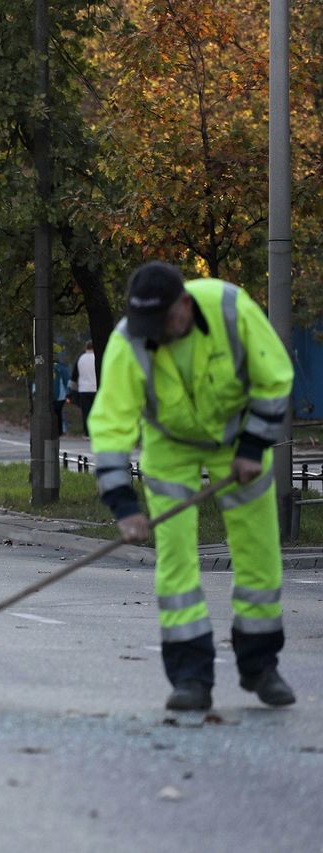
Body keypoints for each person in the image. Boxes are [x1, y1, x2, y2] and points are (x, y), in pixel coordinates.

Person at [89, 261, 295, 711]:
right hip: (170, 447)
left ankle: (261, 667)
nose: (155, 334)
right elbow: (110, 427)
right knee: (177, 562)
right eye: (147, 326)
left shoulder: (229, 308)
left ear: (184, 305)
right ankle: (190, 677)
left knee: (259, 553)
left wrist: (253, 446)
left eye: (163, 322)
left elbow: (275, 378)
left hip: (237, 440)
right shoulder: (130, 339)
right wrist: (124, 506)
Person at [72, 340, 97, 436]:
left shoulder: (80, 359)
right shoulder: (98, 358)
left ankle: (87, 433)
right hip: (96, 389)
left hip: (84, 390)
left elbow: (74, 377)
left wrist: (72, 393)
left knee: (86, 413)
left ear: (86, 348)